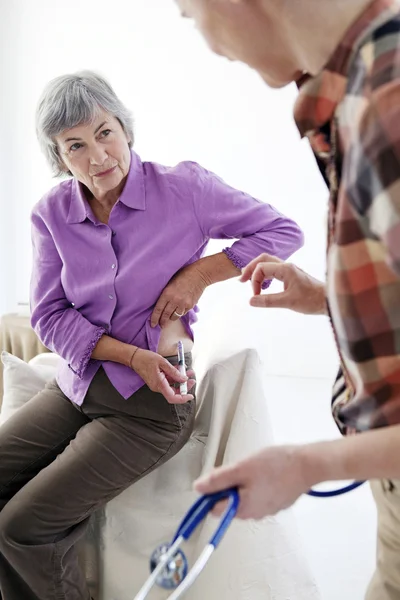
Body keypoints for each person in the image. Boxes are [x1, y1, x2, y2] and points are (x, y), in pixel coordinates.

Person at [0, 70, 302, 600]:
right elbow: (49, 313)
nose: (97, 155)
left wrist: (199, 275)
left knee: (23, 525)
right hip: (75, 388)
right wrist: (127, 354)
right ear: (58, 157)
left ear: (125, 127)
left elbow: (282, 231)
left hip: (149, 407)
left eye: (104, 132)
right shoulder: (50, 213)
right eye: (75, 145)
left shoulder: (183, 188)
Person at [175, 0, 400, 598]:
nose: (213, 47)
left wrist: (307, 466)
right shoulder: (364, 82)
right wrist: (330, 300)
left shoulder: (388, 108)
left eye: (188, 15)